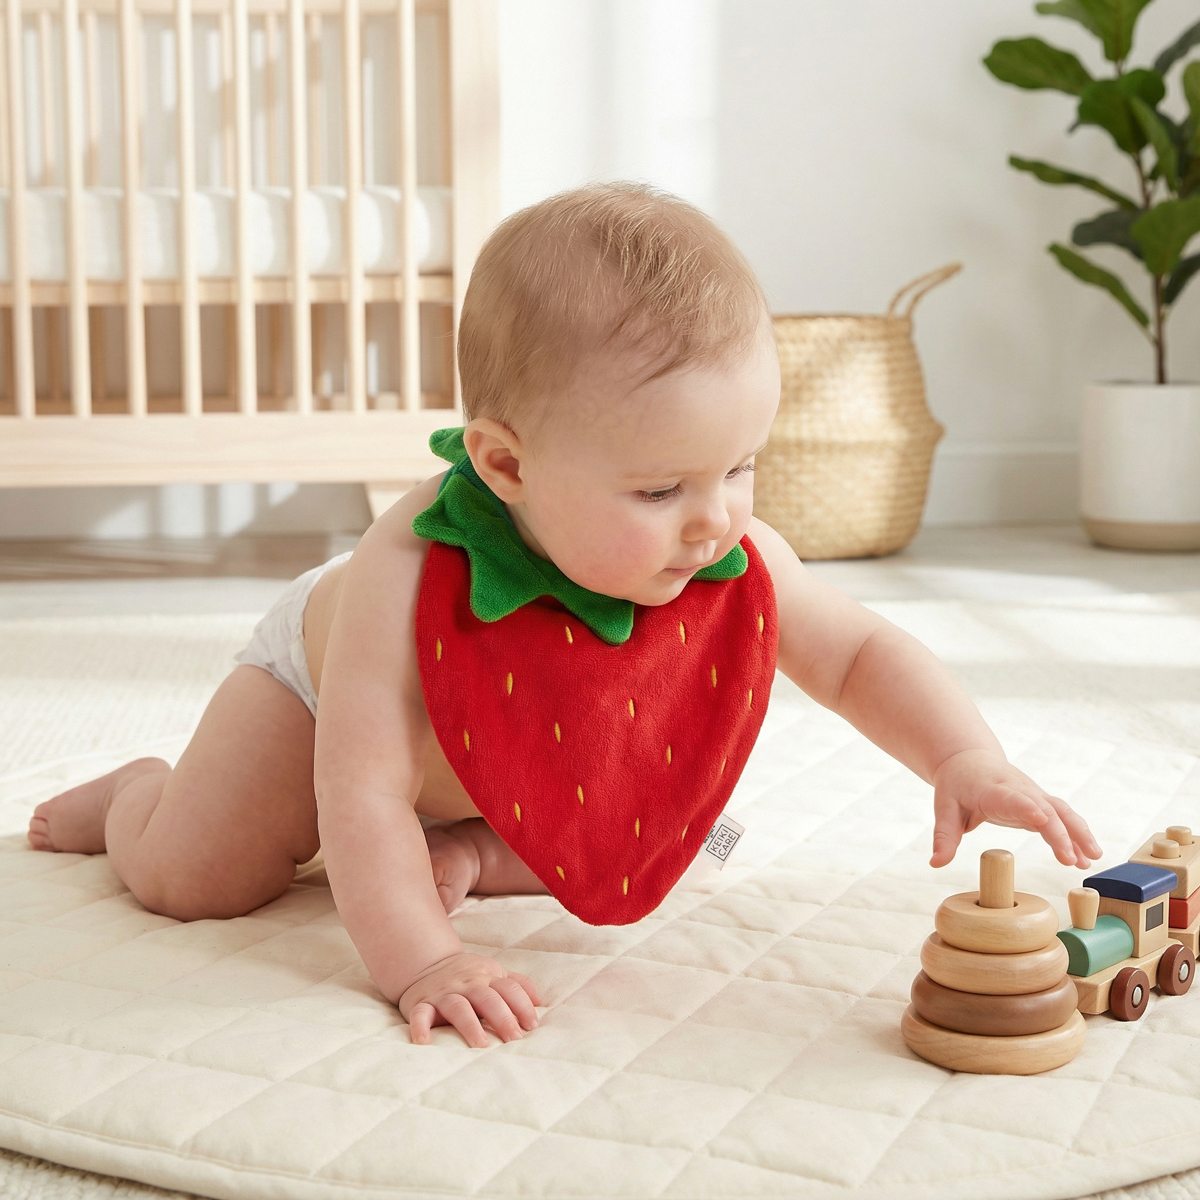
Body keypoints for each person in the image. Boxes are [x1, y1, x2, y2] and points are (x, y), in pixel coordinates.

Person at [27, 181, 1102, 1050]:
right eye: (660, 489)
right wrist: (425, 961)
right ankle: (134, 795)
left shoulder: (721, 551)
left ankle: (474, 847)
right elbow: (361, 793)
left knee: (697, 844)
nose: (714, 520)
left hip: (525, 749)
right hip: (325, 702)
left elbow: (859, 654)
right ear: (507, 465)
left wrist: (964, 756)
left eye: (739, 466)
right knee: (196, 880)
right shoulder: (407, 576)